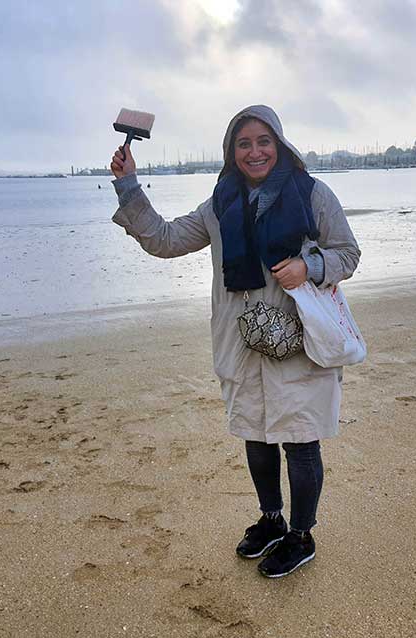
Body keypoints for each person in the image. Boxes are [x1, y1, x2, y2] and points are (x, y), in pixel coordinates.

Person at [109, 105, 360, 578]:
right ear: (231, 151)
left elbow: (347, 252)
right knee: (256, 435)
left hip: (299, 341)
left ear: (279, 144)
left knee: (300, 441)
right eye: (243, 143)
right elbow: (164, 239)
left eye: (263, 141)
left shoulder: (313, 194)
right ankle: (271, 519)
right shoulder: (219, 203)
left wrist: (311, 267)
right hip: (241, 341)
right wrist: (128, 186)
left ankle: (301, 535)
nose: (255, 151)